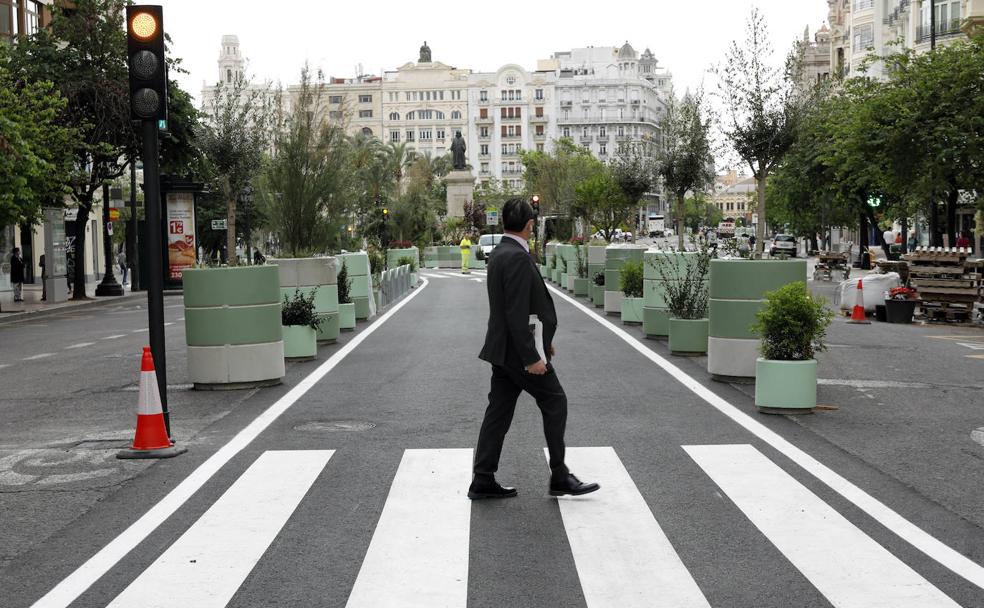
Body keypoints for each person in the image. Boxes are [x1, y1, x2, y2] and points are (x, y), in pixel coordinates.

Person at [470, 197, 599, 500]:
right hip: (517, 353)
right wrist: (531, 356)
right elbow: (516, 312)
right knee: (555, 401)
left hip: (504, 349)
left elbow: (517, 308)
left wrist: (543, 342)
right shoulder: (515, 256)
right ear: (530, 225)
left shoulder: (501, 252)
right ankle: (559, 476)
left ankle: (482, 478)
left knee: (498, 413)